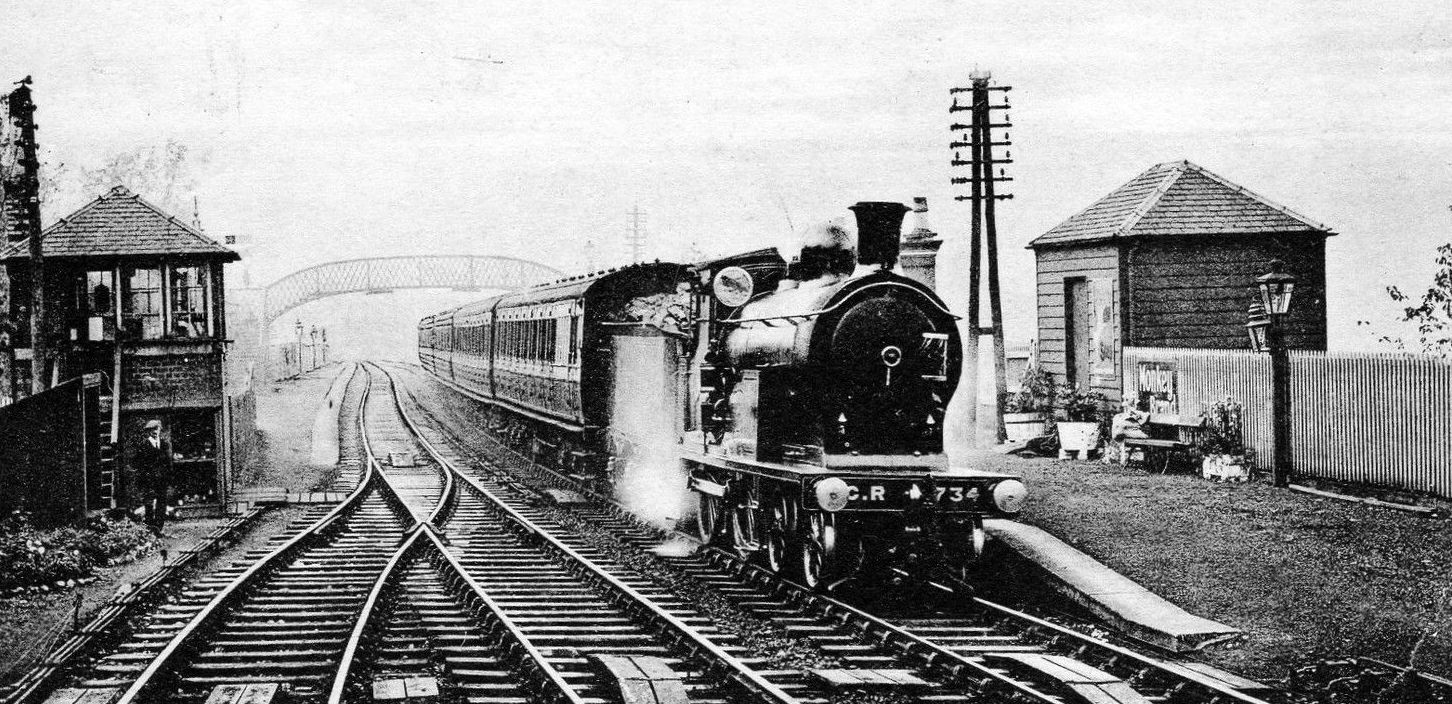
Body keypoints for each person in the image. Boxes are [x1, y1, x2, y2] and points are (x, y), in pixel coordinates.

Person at [132, 419, 173, 532]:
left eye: (157, 429)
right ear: (148, 431)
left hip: (161, 479)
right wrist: (143, 477)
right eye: (152, 430)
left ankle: (159, 527)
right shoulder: (143, 446)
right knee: (149, 502)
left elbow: (168, 462)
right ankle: (149, 527)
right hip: (149, 479)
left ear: (160, 430)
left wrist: (168, 476)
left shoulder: (164, 444)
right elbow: (138, 464)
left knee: (162, 502)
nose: (155, 432)